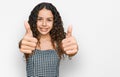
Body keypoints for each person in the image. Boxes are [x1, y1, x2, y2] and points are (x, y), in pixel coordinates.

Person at [19, 2, 78, 77]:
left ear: (54, 22)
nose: (44, 24)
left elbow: (70, 50)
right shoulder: (30, 41)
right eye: (40, 19)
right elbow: (23, 44)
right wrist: (21, 44)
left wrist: (73, 49)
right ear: (35, 21)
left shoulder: (59, 42)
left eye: (49, 20)